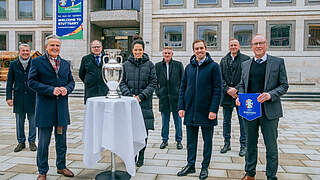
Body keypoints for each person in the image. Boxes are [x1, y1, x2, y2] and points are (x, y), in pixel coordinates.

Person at [236, 34, 289, 180]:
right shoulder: (246, 64)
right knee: (250, 144)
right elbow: (241, 84)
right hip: (250, 110)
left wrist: (270, 94)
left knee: (271, 146)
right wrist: (240, 96)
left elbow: (284, 85)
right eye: (255, 44)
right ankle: (250, 173)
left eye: (261, 43)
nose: (258, 46)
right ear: (251, 46)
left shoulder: (277, 62)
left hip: (269, 111)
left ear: (266, 45)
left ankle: (271, 176)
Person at [28, 35, 75, 180]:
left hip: (61, 110)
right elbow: (31, 82)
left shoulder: (65, 64)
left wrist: (67, 89)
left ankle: (61, 166)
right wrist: (50, 90)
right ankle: (42, 171)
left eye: (57, 45)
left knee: (61, 141)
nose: (55, 48)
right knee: (43, 142)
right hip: (45, 110)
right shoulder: (37, 62)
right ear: (46, 46)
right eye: (52, 45)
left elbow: (71, 82)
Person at [177, 40, 222, 180]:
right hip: (190, 110)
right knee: (191, 141)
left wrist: (213, 109)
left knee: (207, 141)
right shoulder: (189, 68)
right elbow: (182, 88)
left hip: (207, 111)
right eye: (196, 48)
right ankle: (190, 165)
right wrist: (181, 106)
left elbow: (217, 89)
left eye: (201, 48)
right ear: (193, 50)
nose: (199, 50)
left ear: (206, 49)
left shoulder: (214, 67)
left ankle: (204, 166)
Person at [120, 40, 157, 167]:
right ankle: (132, 155)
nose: (137, 52)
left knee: (143, 132)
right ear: (132, 50)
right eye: (135, 50)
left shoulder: (150, 65)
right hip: (129, 103)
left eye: (140, 50)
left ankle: (141, 155)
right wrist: (130, 96)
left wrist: (141, 96)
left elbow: (153, 83)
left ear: (143, 50)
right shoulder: (125, 65)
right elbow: (121, 82)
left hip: (144, 104)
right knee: (130, 132)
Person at [219, 39, 250, 157]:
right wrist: (227, 89)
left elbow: (246, 77)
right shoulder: (223, 60)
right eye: (231, 45)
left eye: (235, 45)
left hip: (240, 95)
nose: (233, 47)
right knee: (226, 121)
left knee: (242, 121)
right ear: (229, 46)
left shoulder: (246, 59)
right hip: (226, 96)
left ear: (239, 46)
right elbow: (220, 78)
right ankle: (226, 143)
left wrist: (236, 89)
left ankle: (244, 145)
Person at [6, 43, 37, 152]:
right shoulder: (13, 64)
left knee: (33, 121)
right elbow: (10, 82)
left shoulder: (35, 63)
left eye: (27, 51)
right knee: (19, 121)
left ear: (30, 52)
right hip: (18, 97)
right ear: (19, 52)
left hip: (32, 97)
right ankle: (21, 142)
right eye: (23, 51)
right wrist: (9, 97)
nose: (25, 53)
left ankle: (32, 142)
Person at [155, 46, 184, 150]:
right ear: (163, 54)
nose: (167, 55)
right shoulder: (157, 66)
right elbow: (155, 81)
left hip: (176, 98)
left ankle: (179, 140)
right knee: (165, 121)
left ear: (172, 54)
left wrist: (181, 95)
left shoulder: (178, 65)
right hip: (164, 98)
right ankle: (164, 140)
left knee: (178, 121)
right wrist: (158, 92)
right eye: (165, 53)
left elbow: (183, 81)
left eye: (169, 53)